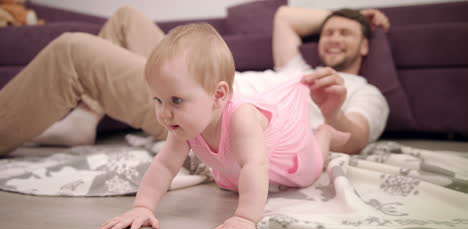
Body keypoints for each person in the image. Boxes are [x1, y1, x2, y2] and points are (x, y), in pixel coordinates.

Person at [0, 5, 390, 155]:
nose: (334, 38)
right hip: (204, 82)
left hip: (202, 111)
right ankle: (86, 115)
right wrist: (354, 16)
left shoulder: (365, 92)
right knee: (126, 18)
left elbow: (355, 138)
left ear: (366, 47)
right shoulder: (296, 69)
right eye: (329, 32)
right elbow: (284, 18)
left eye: (347, 35)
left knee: (72, 48)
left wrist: (333, 112)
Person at [100, 23, 350, 229]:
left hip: (284, 159)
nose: (164, 113)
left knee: (311, 169)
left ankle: (325, 135)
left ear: (218, 95)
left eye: (176, 100)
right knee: (232, 184)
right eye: (158, 100)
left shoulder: (242, 117)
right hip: (235, 171)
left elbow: (255, 164)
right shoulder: (180, 124)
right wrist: (142, 207)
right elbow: (165, 164)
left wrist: (245, 217)